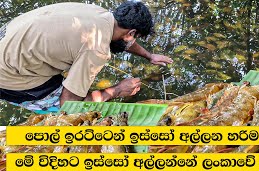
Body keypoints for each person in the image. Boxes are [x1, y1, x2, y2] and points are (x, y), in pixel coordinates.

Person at [0, 1, 173, 112]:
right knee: (69, 109)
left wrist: (149, 55)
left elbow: (124, 40)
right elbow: (69, 106)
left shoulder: (100, 14)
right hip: (9, 77)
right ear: (131, 32)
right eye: (135, 36)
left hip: (9, 43)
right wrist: (118, 90)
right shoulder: (96, 49)